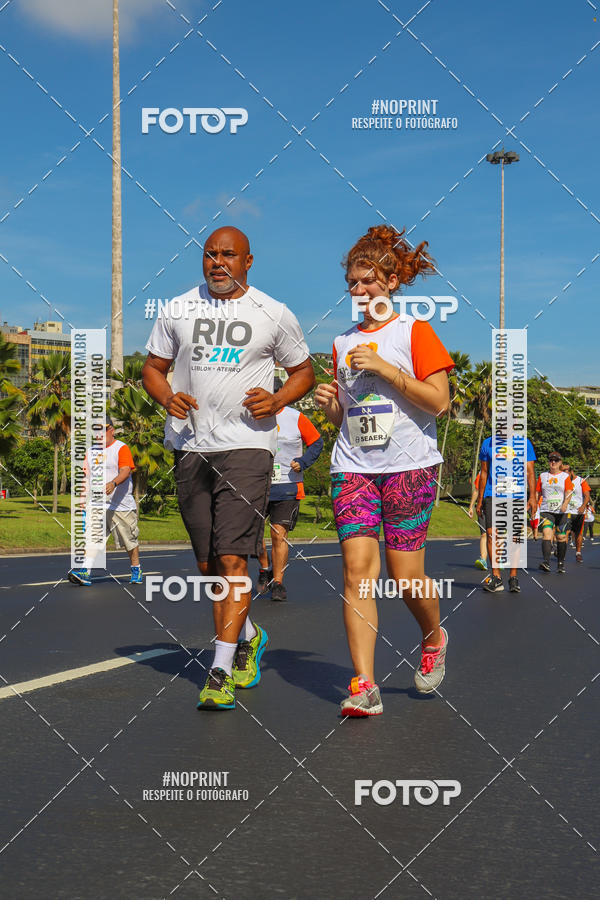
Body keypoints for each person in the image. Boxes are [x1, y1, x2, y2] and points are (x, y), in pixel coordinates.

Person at [142, 226, 314, 710]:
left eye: (228, 255)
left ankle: (219, 671)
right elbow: (152, 367)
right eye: (210, 254)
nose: (218, 262)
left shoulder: (273, 312)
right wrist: (166, 395)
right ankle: (250, 633)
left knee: (234, 559)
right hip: (190, 446)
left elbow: (304, 371)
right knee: (207, 566)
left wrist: (278, 398)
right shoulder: (177, 308)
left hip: (247, 447)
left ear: (248, 261)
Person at [315, 224, 454, 717]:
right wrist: (331, 404)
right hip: (353, 467)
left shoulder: (414, 332)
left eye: (369, 281)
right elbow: (348, 420)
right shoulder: (340, 342)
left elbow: (439, 401)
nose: (359, 291)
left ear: (392, 283)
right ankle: (364, 686)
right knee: (357, 574)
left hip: (410, 467)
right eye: (352, 283)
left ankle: (433, 636)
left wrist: (385, 368)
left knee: (405, 577)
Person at [257, 378, 323, 601]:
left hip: (286, 484)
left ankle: (278, 584)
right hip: (256, 483)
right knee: (254, 535)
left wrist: (303, 462)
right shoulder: (254, 415)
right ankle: (264, 569)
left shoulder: (295, 417)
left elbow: (317, 442)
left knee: (278, 535)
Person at [68, 418, 142, 586]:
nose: (99, 434)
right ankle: (85, 572)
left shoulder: (121, 448)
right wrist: (81, 500)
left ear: (111, 430)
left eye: (103, 429)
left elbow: (125, 471)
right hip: (98, 504)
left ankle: (136, 568)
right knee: (92, 538)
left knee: (128, 540)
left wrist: (113, 483)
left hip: (121, 504)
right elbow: (86, 477)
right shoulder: (91, 451)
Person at [476, 434, 537, 593]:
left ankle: (513, 576)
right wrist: (480, 499)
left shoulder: (524, 443)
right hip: (493, 495)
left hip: (516, 496)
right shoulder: (487, 443)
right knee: (491, 534)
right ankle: (496, 577)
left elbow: (530, 472)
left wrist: (532, 497)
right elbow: (483, 472)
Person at [536, 451, 573, 574]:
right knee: (547, 533)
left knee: (561, 537)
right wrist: (534, 505)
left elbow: (569, 492)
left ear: (560, 463)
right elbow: (537, 493)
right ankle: (546, 562)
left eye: (556, 460)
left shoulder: (565, 477)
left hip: (561, 511)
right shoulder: (542, 476)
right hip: (547, 510)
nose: (553, 462)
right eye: (551, 460)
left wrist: (565, 504)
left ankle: (560, 563)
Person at [562, 464, 591, 562]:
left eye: (566, 473)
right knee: (565, 532)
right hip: (567, 511)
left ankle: (578, 553)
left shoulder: (581, 481)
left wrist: (583, 506)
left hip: (579, 512)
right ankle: (562, 554)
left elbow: (587, 496)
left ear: (571, 472)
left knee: (579, 533)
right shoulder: (563, 481)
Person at [468, 471, 488, 570]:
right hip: (482, 506)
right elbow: (476, 490)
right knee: (484, 534)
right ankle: (483, 560)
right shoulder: (481, 473)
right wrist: (471, 506)